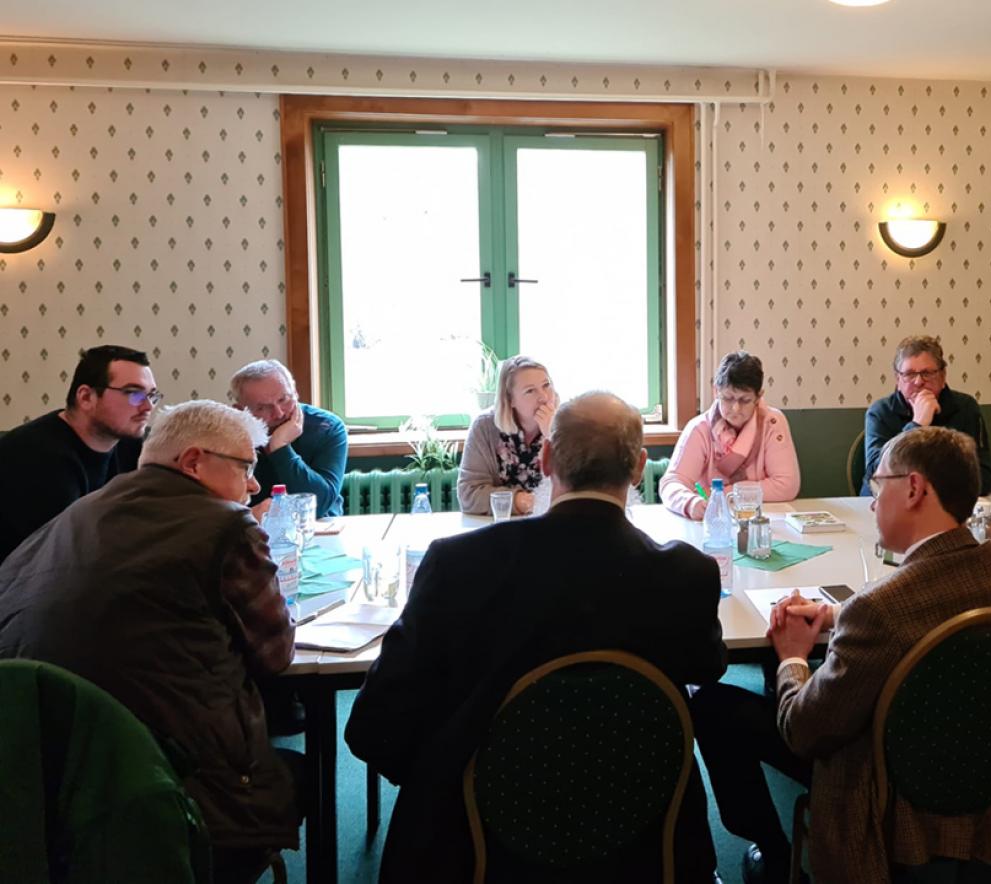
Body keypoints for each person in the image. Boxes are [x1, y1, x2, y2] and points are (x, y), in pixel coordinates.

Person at [347, 391, 727, 883]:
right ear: (638, 469)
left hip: (475, 844)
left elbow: (373, 725)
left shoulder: (458, 564)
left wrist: (447, 778)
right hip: (641, 838)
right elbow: (707, 667)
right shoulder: (687, 575)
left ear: (546, 459)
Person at [692, 427, 991, 884]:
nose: (872, 503)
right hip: (984, 762)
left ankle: (773, 853)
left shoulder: (880, 612)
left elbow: (803, 732)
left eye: (878, 485)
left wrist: (793, 658)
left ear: (914, 489)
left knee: (714, 707)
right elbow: (929, 603)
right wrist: (834, 615)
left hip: (889, 780)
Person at [0, 400, 300, 884]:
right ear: (193, 461)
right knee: (299, 770)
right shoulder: (226, 524)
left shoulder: (79, 511)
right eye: (246, 467)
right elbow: (276, 655)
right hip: (173, 787)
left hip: (37, 784)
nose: (253, 485)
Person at [0, 345, 158, 564]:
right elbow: (54, 561)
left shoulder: (132, 444)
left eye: (152, 395)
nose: (148, 407)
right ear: (86, 397)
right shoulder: (39, 458)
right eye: (133, 393)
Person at [660, 351, 800, 519]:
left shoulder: (772, 422)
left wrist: (721, 494)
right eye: (727, 398)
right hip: (712, 519)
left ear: (758, 397)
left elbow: (787, 485)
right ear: (715, 391)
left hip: (761, 519)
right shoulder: (700, 428)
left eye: (745, 400)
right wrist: (690, 503)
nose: (735, 408)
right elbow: (671, 483)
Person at [863, 336, 991, 496]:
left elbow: (984, 478)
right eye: (910, 374)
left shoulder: (965, 407)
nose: (918, 382)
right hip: (888, 502)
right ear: (898, 379)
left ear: (943, 376)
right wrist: (917, 426)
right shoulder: (880, 412)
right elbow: (876, 475)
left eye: (927, 373)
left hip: (946, 502)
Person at [230, 358, 347, 518]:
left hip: (319, 527)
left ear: (295, 393)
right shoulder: (228, 436)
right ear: (240, 411)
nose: (278, 413)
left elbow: (320, 506)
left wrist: (280, 447)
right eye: (262, 408)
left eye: (283, 399)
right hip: (252, 524)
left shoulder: (326, 427)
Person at [457, 355, 558, 515]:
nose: (544, 397)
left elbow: (578, 487)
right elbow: (469, 495)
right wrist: (520, 501)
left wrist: (552, 436)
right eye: (530, 391)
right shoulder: (485, 427)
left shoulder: (567, 423)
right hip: (501, 524)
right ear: (510, 399)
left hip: (552, 523)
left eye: (546, 385)